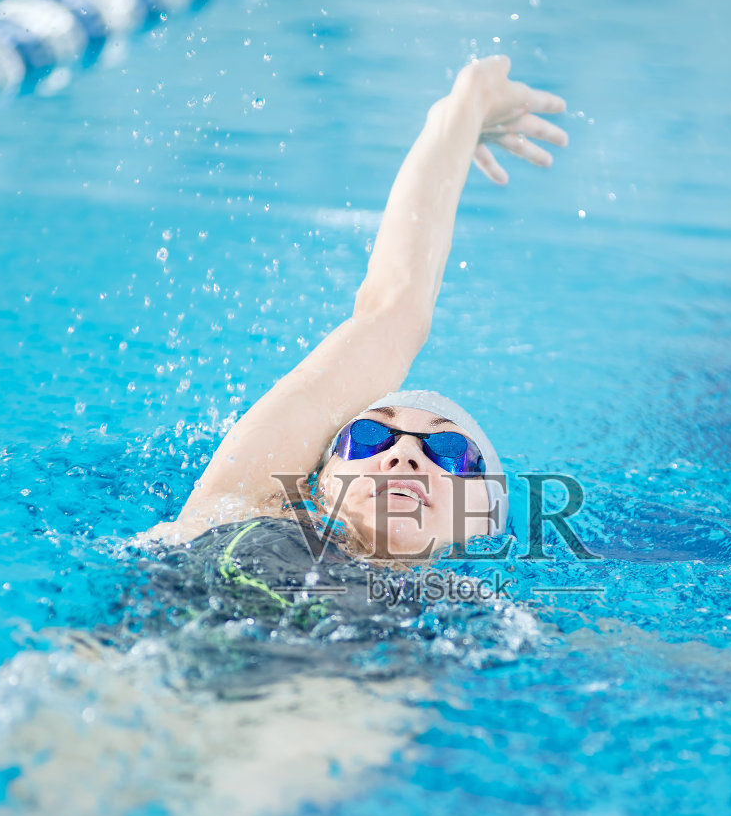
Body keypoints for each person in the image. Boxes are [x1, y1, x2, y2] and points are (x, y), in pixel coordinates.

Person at [135, 55, 568, 570]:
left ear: (489, 521)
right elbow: (393, 312)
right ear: (314, 485)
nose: (404, 455)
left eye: (452, 452)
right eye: (366, 437)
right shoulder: (234, 511)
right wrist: (462, 110)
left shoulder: (494, 609)